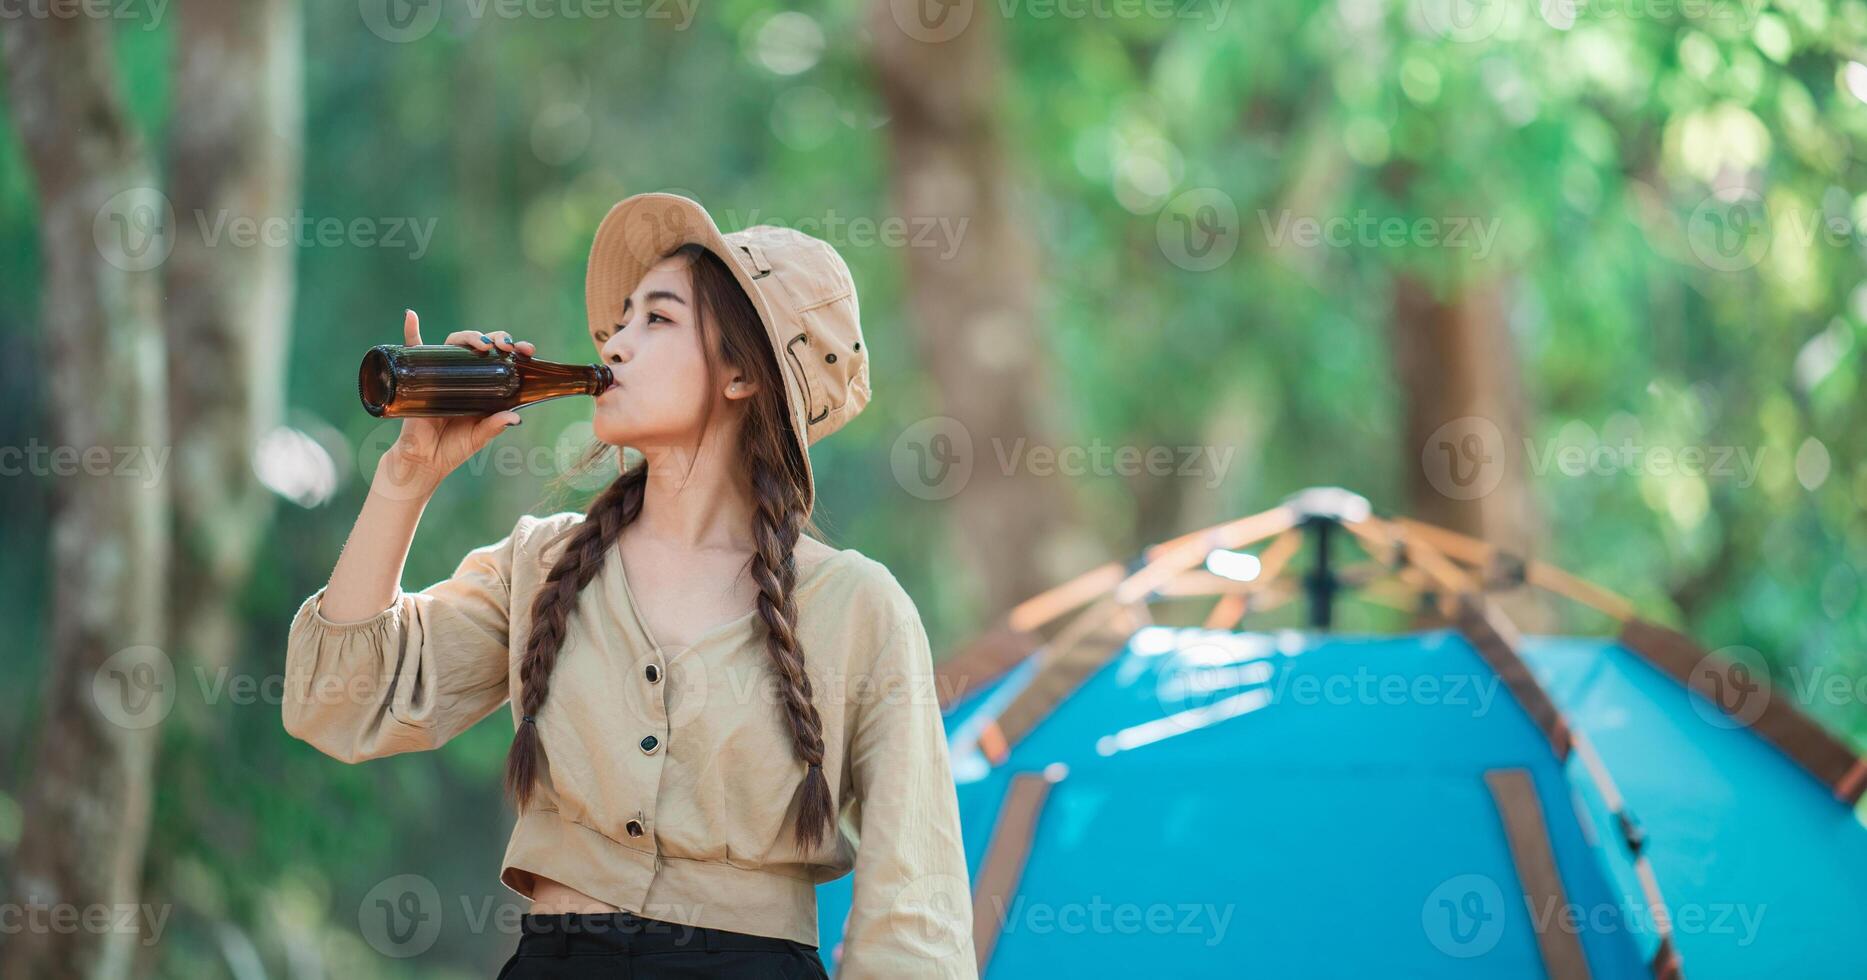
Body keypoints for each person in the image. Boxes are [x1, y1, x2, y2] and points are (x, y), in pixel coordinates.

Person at [281, 193, 979, 978]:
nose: (615, 343)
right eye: (620, 320)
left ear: (745, 372)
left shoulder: (857, 605)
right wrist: (407, 476)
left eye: (657, 320)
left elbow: (913, 910)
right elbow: (335, 706)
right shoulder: (542, 565)